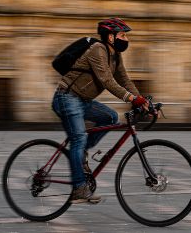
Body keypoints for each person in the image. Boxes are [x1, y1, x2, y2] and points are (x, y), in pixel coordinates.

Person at [52, 17, 148, 204]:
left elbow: (125, 80)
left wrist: (142, 101)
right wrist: (131, 99)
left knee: (110, 117)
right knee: (78, 138)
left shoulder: (115, 56)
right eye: (122, 35)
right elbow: (107, 81)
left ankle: (82, 153)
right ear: (111, 37)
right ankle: (79, 189)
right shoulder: (98, 50)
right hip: (66, 97)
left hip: (83, 100)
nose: (126, 39)